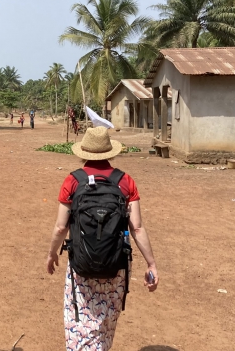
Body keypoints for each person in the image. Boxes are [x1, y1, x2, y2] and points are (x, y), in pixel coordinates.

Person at [46, 127, 158, 351]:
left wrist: (51, 254)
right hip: (115, 264)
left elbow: (61, 227)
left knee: (82, 322)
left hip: (82, 263)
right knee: (105, 324)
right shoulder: (125, 181)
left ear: (83, 153)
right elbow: (136, 227)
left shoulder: (73, 181)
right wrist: (151, 263)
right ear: (110, 153)